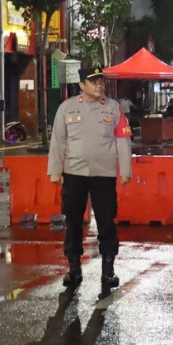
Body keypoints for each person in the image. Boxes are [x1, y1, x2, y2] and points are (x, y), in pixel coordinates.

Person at [49, 66, 133, 291]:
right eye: (93, 81)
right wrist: (55, 170)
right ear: (81, 85)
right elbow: (58, 141)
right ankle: (74, 268)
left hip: (104, 174)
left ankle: (108, 270)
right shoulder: (67, 108)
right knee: (73, 220)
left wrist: (125, 169)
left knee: (106, 221)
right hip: (74, 173)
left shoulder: (113, 108)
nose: (99, 85)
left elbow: (123, 140)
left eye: (101, 81)